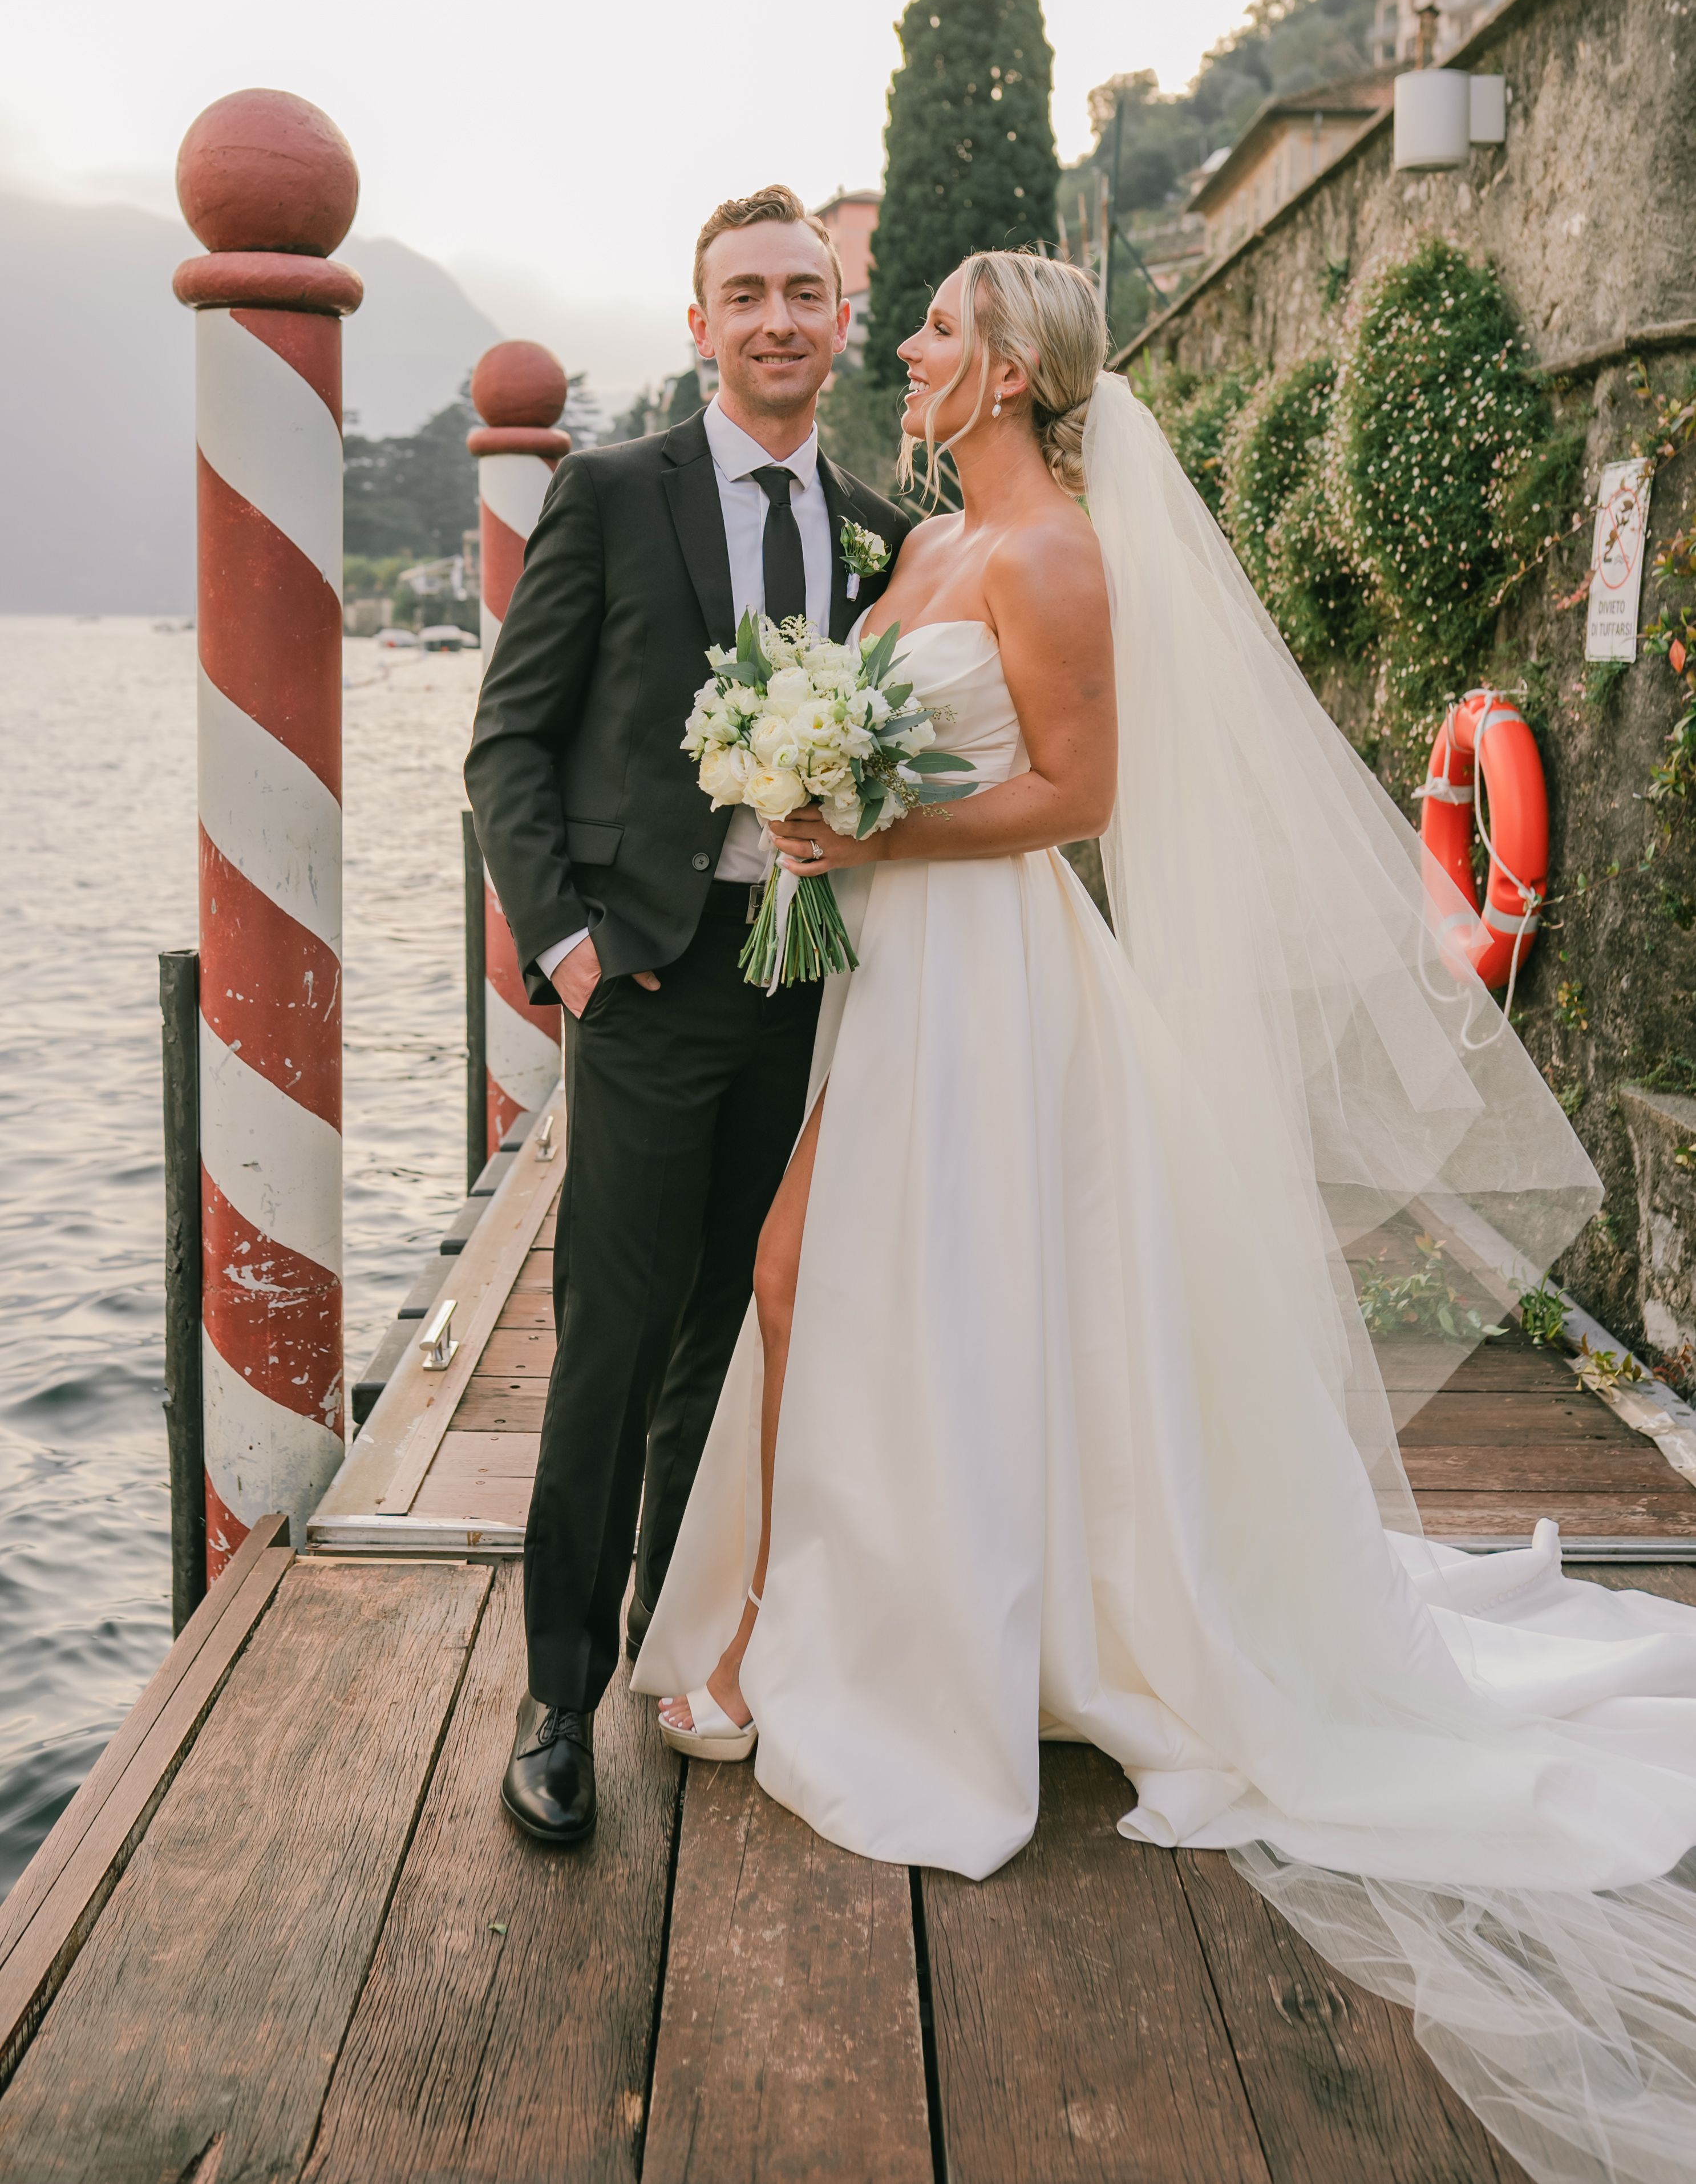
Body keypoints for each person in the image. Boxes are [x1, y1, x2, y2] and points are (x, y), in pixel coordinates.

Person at [637, 249, 1696, 2183]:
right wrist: (807, 802)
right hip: (888, 970)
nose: (912, 352)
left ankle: (916, 1642)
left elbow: (1073, 793)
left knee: (916, 1297)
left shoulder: (1053, 560)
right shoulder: (931, 543)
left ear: (1018, 368)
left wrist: (876, 824)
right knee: (808, 1280)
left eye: (941, 332)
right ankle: (808, 1611)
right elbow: (887, 737)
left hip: (987, 976)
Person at [465, 185, 908, 1847]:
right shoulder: (612, 493)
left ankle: (684, 1645)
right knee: (613, 1339)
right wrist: (569, 950)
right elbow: (508, 741)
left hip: (807, 975)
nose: (780, 318)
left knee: (732, 1337)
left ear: (840, 314)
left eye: (807, 290)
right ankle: (554, 1701)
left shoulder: (876, 530)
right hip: (647, 977)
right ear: (700, 320)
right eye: (748, 294)